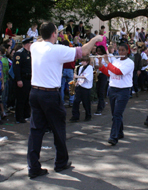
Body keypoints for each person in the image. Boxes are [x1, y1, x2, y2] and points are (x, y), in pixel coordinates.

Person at [27, 22, 103, 178]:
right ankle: (61, 163)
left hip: (35, 92)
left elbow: (43, 39)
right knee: (58, 129)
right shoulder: (57, 50)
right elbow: (85, 51)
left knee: (36, 131)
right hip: (50, 95)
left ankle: (33, 167)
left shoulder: (35, 46)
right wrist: (96, 38)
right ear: (54, 34)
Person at [98, 43, 134, 146]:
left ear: (127, 51)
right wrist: (101, 65)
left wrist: (106, 61)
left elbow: (118, 72)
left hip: (123, 90)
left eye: (123, 50)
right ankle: (120, 132)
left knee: (117, 114)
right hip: (113, 89)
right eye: (119, 50)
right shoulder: (116, 61)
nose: (121, 52)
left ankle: (113, 137)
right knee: (115, 114)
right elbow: (110, 73)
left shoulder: (130, 63)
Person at [13, 37, 33, 124]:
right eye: (30, 43)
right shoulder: (19, 53)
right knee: (21, 98)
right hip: (22, 78)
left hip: (29, 78)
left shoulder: (29, 53)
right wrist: (18, 79)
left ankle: (26, 114)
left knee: (27, 98)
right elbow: (16, 67)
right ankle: (19, 117)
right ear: (27, 44)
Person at [69, 56, 93, 122]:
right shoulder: (81, 67)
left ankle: (88, 115)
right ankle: (75, 116)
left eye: (83, 61)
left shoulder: (90, 67)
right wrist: (77, 82)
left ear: (87, 61)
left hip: (86, 88)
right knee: (76, 102)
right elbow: (80, 76)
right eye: (82, 61)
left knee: (86, 103)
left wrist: (77, 76)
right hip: (79, 86)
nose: (82, 62)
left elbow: (87, 76)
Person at [94, 46, 109, 115]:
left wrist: (100, 66)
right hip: (97, 74)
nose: (99, 52)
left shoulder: (105, 57)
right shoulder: (95, 57)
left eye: (100, 51)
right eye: (98, 51)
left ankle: (99, 108)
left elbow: (107, 65)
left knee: (101, 91)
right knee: (97, 90)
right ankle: (102, 104)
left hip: (103, 74)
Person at [60, 40, 75, 107]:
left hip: (63, 69)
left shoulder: (61, 52)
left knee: (62, 86)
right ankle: (71, 101)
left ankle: (61, 101)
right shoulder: (72, 51)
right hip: (70, 70)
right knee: (71, 86)